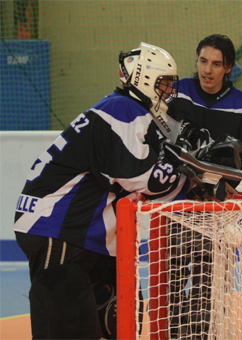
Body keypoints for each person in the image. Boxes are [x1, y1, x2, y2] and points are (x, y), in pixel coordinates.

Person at [14, 42, 189, 339]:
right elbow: (143, 178)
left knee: (114, 319)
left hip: (73, 231)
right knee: (69, 328)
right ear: (144, 78)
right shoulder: (123, 109)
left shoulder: (121, 108)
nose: (168, 90)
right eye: (164, 82)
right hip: (59, 228)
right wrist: (192, 175)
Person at [165, 34, 242, 339]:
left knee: (208, 292)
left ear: (228, 67)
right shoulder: (178, 93)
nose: (207, 70)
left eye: (215, 64)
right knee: (170, 288)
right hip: (175, 210)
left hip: (217, 216)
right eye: (202, 61)